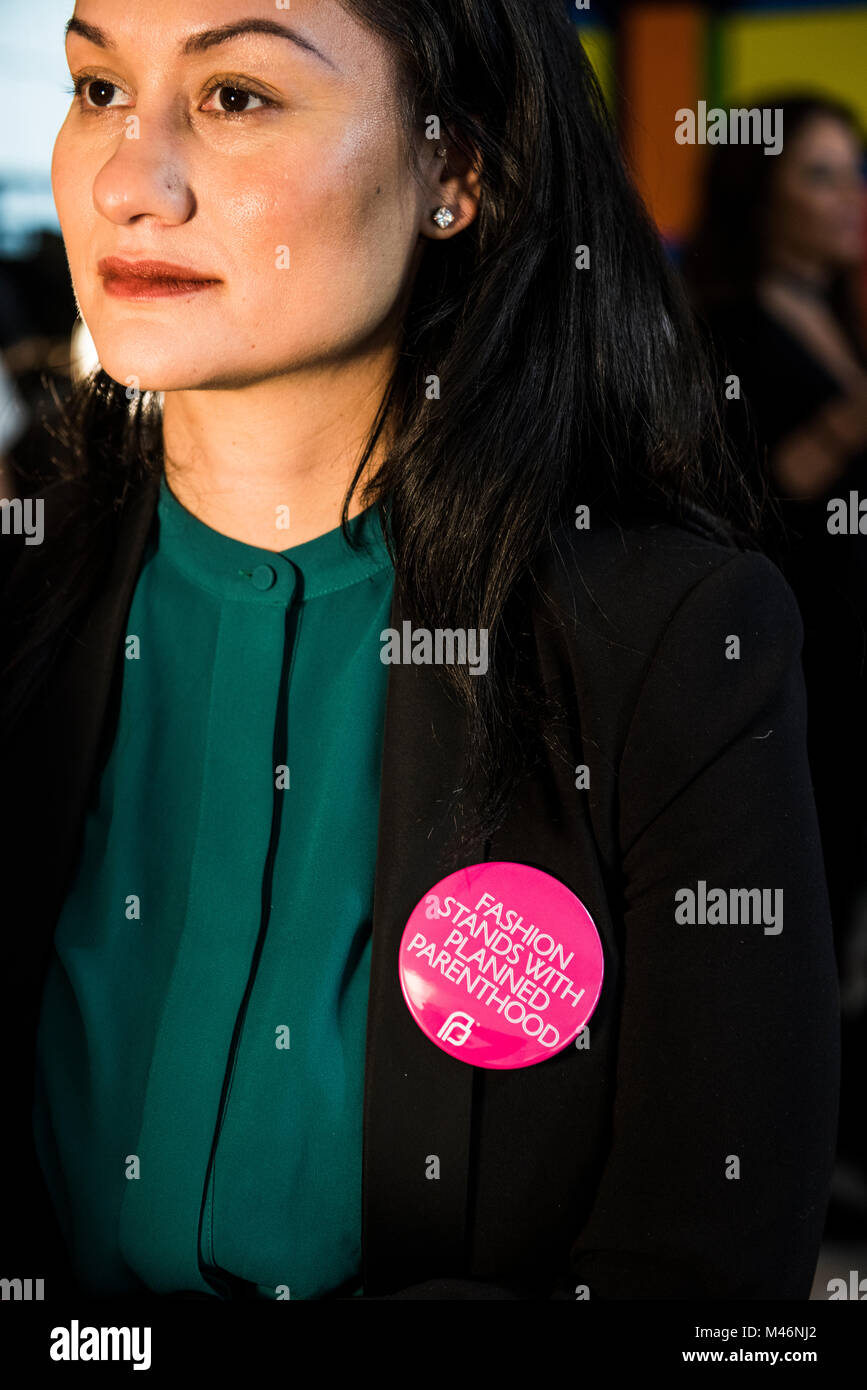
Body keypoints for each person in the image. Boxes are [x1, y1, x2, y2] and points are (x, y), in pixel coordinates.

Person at [0, 2, 839, 1302]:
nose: (125, 182)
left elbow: (701, 1273)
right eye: (99, 88)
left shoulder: (664, 644)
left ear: (456, 168)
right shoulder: (21, 593)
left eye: (235, 97)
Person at [685, 95, 867, 1235]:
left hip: (855, 662)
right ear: (761, 192)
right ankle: (769, 1169)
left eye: (853, 173)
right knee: (798, 918)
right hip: (796, 668)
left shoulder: (839, 313)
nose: (848, 199)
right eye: (820, 175)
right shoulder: (726, 328)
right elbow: (743, 505)